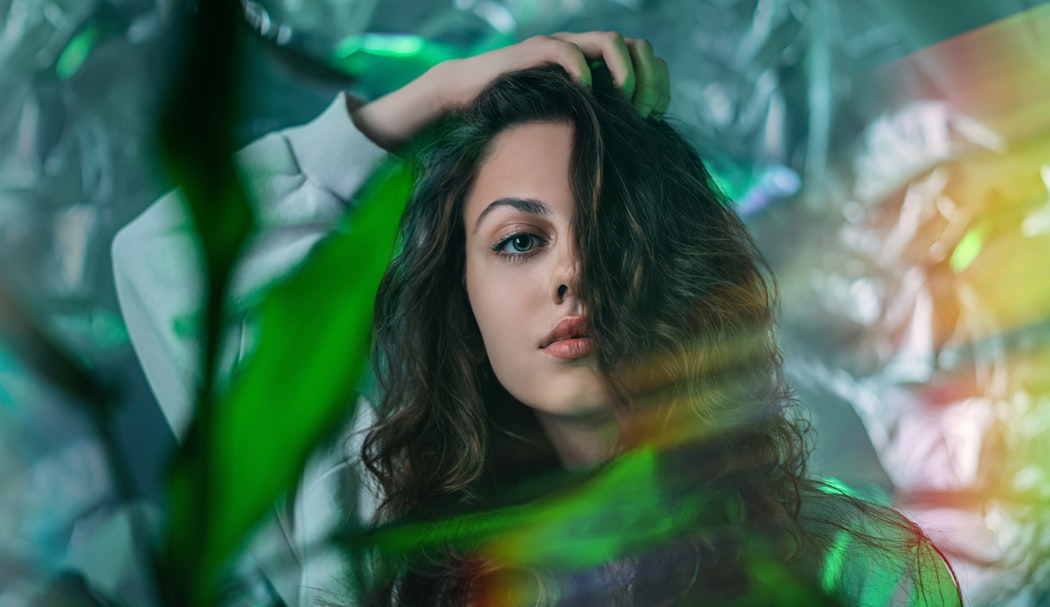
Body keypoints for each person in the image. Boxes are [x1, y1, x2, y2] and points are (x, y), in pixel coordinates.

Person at [112, 33, 962, 606]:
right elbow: (165, 257)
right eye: (519, 240)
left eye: (607, 233)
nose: (570, 273)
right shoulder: (375, 533)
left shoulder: (860, 565)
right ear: (464, 295)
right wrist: (438, 98)